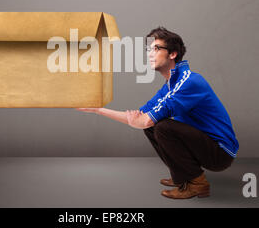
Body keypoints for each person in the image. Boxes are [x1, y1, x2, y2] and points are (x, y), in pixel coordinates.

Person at [76, 26, 239, 199]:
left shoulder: (189, 82)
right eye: (149, 49)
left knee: (162, 127)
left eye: (156, 49)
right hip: (204, 145)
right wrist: (97, 109)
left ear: (172, 54)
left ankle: (198, 184)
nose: (150, 54)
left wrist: (139, 121)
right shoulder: (169, 86)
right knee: (154, 127)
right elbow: (140, 115)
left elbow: (144, 120)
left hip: (220, 152)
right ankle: (182, 177)